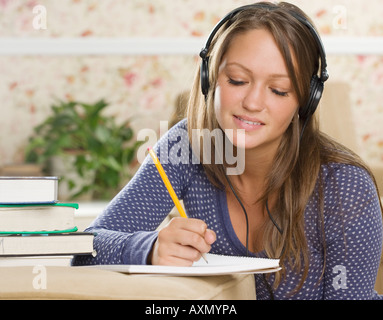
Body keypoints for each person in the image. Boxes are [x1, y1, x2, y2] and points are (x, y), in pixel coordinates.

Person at [72, 2, 383, 300]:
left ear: (306, 100)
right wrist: (148, 249)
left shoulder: (346, 187)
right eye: (237, 80)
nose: (252, 103)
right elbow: (85, 251)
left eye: (278, 90)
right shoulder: (187, 147)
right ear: (210, 77)